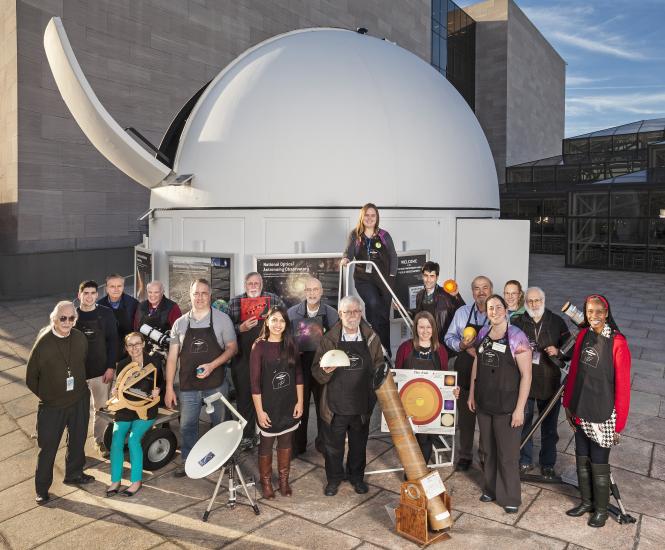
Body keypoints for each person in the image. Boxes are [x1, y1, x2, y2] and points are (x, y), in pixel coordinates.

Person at [563, 294, 631, 528]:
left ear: (607, 312)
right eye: (589, 311)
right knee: (581, 457)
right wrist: (567, 404)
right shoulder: (583, 335)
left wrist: (619, 424)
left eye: (598, 311)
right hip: (581, 406)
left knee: (599, 463)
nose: (594, 316)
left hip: (603, 412)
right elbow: (573, 373)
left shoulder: (618, 343)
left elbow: (623, 387)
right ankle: (586, 502)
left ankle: (601, 510)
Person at [312, 295, 384, 496]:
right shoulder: (329, 339)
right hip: (335, 405)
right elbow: (316, 371)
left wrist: (375, 394)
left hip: (361, 404)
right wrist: (325, 370)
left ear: (361, 313)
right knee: (333, 447)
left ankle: (356, 478)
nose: (352, 315)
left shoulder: (371, 338)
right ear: (340, 314)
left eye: (356, 311)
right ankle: (334, 480)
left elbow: (379, 365)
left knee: (358, 446)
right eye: (348, 312)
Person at [165, 279, 238, 477]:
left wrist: (212, 365)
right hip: (188, 386)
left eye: (204, 293)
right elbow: (172, 358)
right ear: (190, 295)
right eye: (196, 293)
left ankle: (222, 459)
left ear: (210, 295)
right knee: (188, 425)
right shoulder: (180, 323)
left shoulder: (222, 320)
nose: (199, 297)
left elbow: (233, 348)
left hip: (216, 384)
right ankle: (189, 462)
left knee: (221, 423)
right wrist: (169, 387)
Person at [468, 295, 532, 513]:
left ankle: (510, 496)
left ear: (506, 310)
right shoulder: (484, 334)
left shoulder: (517, 337)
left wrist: (519, 409)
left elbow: (526, 376)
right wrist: (472, 394)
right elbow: (477, 361)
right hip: (485, 403)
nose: (493, 311)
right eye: (489, 308)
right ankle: (491, 488)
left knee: (507, 454)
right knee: (488, 449)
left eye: (497, 307)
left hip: (507, 406)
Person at [26, 301, 94, 505]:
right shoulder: (44, 343)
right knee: (47, 448)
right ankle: (42, 489)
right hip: (52, 406)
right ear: (53, 319)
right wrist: (49, 396)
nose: (67, 322)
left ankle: (74, 474)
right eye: (62, 318)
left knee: (77, 440)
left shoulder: (80, 338)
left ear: (75, 320)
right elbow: (31, 378)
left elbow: (82, 362)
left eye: (71, 318)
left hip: (79, 399)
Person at [512, 287, 571, 478]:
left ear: (543, 300)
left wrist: (559, 352)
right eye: (529, 301)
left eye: (537, 300)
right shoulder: (517, 322)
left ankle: (548, 463)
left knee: (549, 428)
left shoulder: (556, 322)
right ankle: (525, 460)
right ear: (525, 302)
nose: (533, 304)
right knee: (524, 423)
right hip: (525, 382)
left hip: (550, 382)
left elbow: (570, 347)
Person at [251, 307, 304, 498]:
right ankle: (265, 482)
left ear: (286, 324)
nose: (277, 324)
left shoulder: (291, 344)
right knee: (266, 444)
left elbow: (298, 375)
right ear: (267, 322)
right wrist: (260, 411)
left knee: (286, 442)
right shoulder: (259, 346)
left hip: (288, 403)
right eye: (274, 320)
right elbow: (255, 384)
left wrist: (300, 402)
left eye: (282, 320)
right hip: (268, 405)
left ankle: (283, 481)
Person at [228, 272, 285, 448]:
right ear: (245, 285)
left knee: (269, 396)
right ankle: (246, 436)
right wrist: (240, 327)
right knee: (244, 398)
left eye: (257, 283)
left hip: (268, 358)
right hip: (243, 359)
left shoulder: (273, 299)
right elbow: (227, 329)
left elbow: (285, 321)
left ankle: (266, 433)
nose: (253, 286)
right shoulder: (234, 302)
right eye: (250, 283)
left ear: (262, 284)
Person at [395, 311, 458, 463]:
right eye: (421, 327)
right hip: (409, 402)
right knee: (410, 439)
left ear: (434, 329)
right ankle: (412, 470)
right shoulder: (405, 348)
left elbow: (445, 378)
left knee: (425, 438)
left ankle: (419, 470)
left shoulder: (441, 350)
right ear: (415, 328)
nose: (425, 331)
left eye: (428, 327)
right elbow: (396, 376)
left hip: (430, 403)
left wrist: (453, 390)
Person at [444, 275, 492, 471]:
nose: (481, 292)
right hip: (464, 369)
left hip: (488, 371)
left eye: (485, 288)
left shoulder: (497, 313)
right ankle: (465, 455)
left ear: (490, 290)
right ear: (472, 292)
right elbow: (448, 337)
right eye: (477, 288)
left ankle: (484, 454)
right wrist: (461, 345)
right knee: (465, 417)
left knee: (486, 417)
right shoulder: (462, 312)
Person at [287, 276, 339, 455]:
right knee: (298, 407)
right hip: (300, 365)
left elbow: (337, 340)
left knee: (323, 407)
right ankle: (297, 446)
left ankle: (324, 444)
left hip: (322, 366)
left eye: (315, 289)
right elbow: (284, 340)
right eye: (308, 290)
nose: (312, 293)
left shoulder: (331, 313)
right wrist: (293, 349)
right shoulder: (292, 313)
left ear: (321, 291)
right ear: (304, 292)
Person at [107, 333, 163, 497]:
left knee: (133, 440)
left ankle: (135, 481)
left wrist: (158, 390)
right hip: (125, 407)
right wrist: (115, 391)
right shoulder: (123, 364)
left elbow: (161, 382)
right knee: (116, 440)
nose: (134, 348)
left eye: (137, 343)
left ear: (143, 344)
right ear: (126, 348)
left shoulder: (154, 361)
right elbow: (119, 386)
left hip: (145, 408)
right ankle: (115, 480)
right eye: (130, 345)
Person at [341, 203, 398, 354]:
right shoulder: (356, 235)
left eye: (373, 215)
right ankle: (375, 348)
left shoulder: (384, 235)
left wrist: (391, 278)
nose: (370, 218)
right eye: (367, 215)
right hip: (363, 279)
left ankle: (385, 353)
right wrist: (346, 260)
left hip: (384, 279)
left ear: (377, 217)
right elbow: (348, 253)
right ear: (362, 217)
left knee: (384, 316)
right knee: (373, 303)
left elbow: (393, 256)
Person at [75, 280, 118, 458]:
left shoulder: (105, 314)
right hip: (78, 373)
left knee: (101, 409)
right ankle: (75, 447)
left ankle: (99, 441)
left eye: (93, 293)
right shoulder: (73, 316)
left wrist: (110, 367)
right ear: (79, 295)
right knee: (77, 412)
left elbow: (114, 341)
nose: (89, 296)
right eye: (86, 293)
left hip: (100, 372)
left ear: (97, 295)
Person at [414, 261, 465, 347]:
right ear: (422, 276)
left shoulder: (446, 294)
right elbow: (418, 315)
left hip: (444, 342)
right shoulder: (420, 295)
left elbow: (463, 312)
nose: (428, 280)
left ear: (437, 277)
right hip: (427, 341)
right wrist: (402, 308)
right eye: (426, 276)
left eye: (432, 276)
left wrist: (457, 296)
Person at [98, 273, 139, 359]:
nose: (116, 289)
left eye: (119, 286)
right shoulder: (99, 305)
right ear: (106, 289)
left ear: (123, 287)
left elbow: (137, 329)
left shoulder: (133, 304)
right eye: (112, 286)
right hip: (106, 351)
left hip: (128, 351)